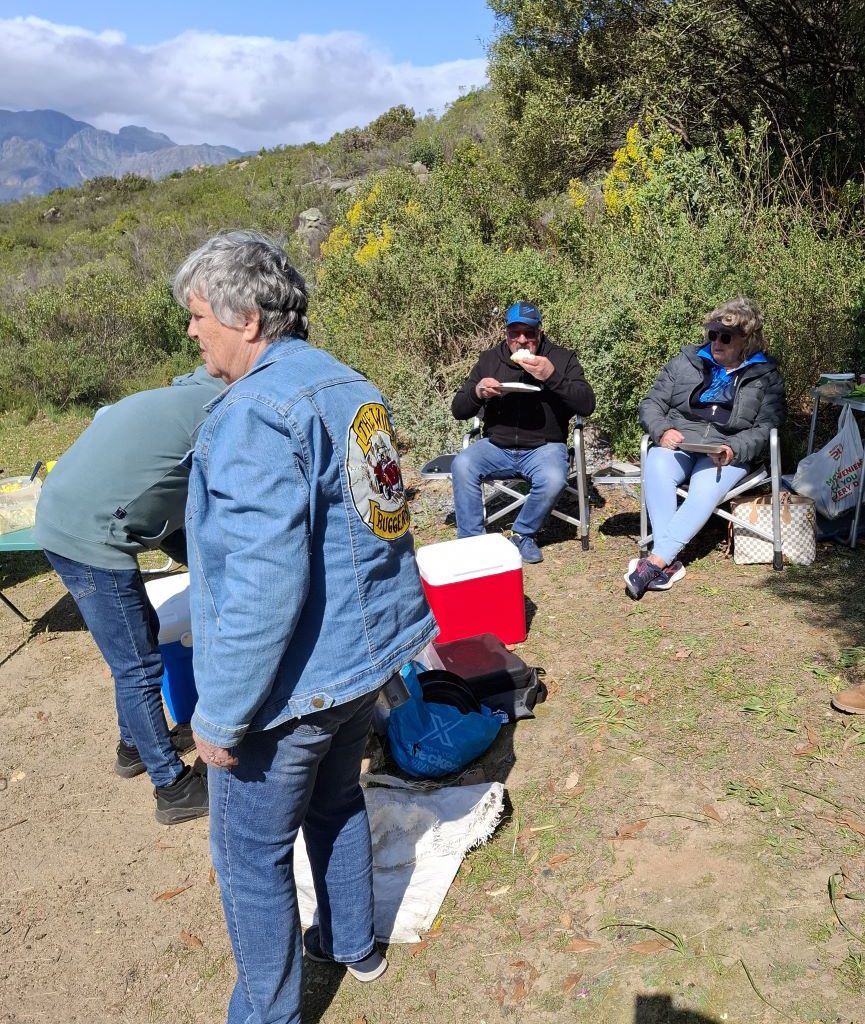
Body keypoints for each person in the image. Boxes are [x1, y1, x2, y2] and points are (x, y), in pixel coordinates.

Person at [172, 230, 437, 1024]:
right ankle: (352, 943)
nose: (191, 332)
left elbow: (262, 584)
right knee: (335, 802)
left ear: (246, 318)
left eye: (196, 316)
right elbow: (385, 518)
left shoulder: (254, 412)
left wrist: (217, 717)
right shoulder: (348, 384)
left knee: (250, 860)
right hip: (363, 663)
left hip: (292, 688)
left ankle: (269, 1015)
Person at [34, 366, 225, 823]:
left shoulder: (194, 394)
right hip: (88, 534)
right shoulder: (221, 418)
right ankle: (171, 787)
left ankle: (135, 745)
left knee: (140, 637)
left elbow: (159, 490)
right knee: (137, 664)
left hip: (72, 510)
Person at [625, 296, 786, 600]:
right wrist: (662, 430)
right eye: (713, 335)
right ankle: (667, 559)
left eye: (725, 337)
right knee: (657, 463)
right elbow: (651, 403)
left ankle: (656, 562)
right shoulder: (686, 362)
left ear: (746, 341)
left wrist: (733, 448)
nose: (717, 342)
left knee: (703, 488)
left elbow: (767, 427)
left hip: (726, 449)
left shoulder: (765, 376)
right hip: (682, 440)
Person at [450, 301, 596, 563]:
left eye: (529, 333)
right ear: (505, 334)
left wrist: (552, 376)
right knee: (462, 464)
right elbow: (459, 409)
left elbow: (587, 404)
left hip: (545, 447)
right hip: (496, 445)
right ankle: (472, 541)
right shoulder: (489, 360)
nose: (522, 340)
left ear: (540, 333)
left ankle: (523, 534)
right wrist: (478, 391)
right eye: (515, 333)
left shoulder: (562, 359)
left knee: (553, 478)